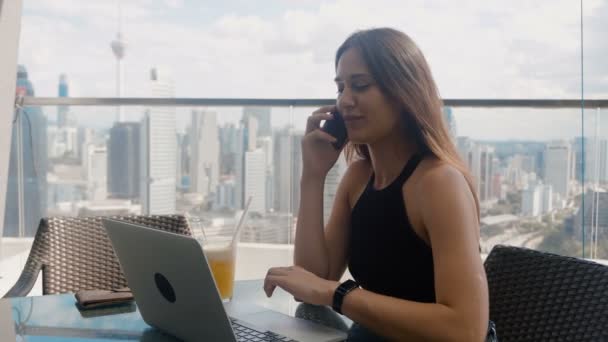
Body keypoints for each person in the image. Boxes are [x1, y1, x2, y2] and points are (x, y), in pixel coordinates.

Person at [264, 27, 490, 341]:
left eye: (360, 86)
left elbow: (466, 331)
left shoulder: (439, 183)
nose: (345, 100)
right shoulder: (358, 177)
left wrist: (338, 294)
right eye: (341, 87)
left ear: (403, 93)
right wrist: (312, 176)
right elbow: (314, 281)